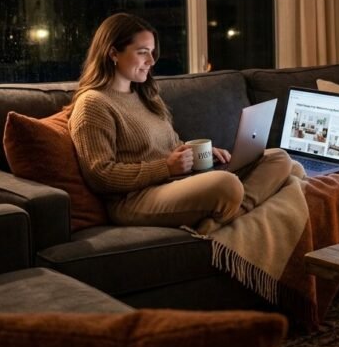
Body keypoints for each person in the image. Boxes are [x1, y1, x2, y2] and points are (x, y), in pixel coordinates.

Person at [69, 13, 292, 228]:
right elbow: (100, 175)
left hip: (175, 182)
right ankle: (232, 215)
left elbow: (171, 145)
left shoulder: (145, 95)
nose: (151, 61)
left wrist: (201, 154)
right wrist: (165, 168)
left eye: (152, 52)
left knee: (279, 159)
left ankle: (217, 222)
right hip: (134, 199)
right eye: (142, 52)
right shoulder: (93, 104)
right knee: (227, 185)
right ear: (113, 53)